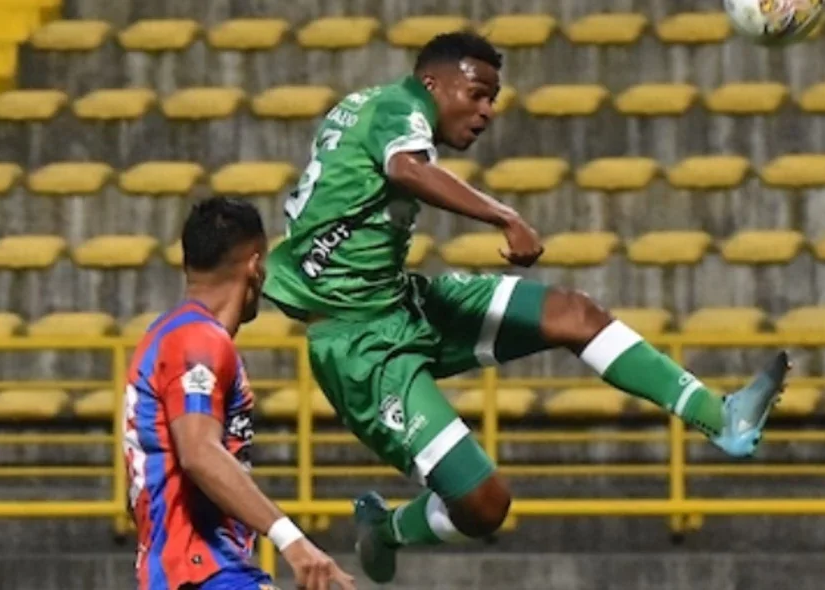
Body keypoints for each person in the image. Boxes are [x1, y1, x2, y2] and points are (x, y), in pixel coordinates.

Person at [262, 31, 791, 584]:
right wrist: (505, 217)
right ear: (432, 84)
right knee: (487, 505)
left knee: (573, 314)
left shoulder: (372, 106)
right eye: (477, 94)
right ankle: (389, 530)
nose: (487, 111)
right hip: (360, 347)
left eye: (494, 98)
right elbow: (407, 171)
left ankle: (722, 419)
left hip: (402, 300)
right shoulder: (398, 110)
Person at [124, 198, 356, 590]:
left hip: (186, 569)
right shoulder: (198, 340)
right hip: (202, 571)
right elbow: (198, 452)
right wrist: (292, 540)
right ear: (255, 265)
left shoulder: (164, 334)